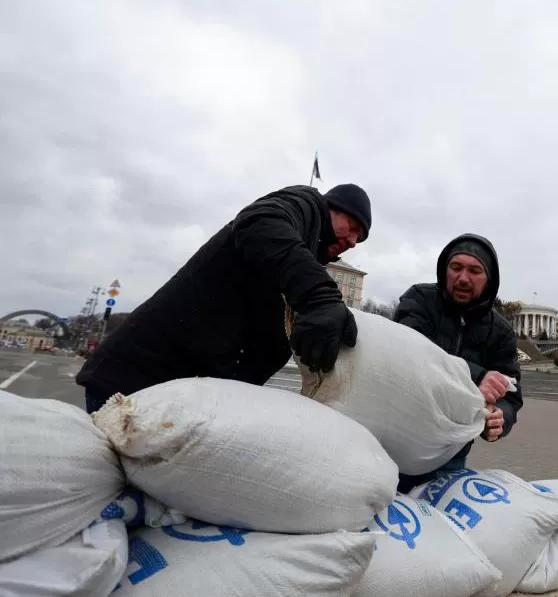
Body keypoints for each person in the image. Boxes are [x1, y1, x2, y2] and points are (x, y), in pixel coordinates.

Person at [76, 184, 371, 414]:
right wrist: (319, 296)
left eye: (359, 238)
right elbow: (260, 221)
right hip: (136, 383)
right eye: (353, 227)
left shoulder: (302, 261)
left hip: (180, 398)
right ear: (331, 207)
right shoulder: (304, 204)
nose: (352, 241)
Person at [392, 233, 523, 493]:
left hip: (450, 455)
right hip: (395, 442)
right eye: (456, 267)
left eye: (475, 270)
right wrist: (475, 376)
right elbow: (408, 350)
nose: (463, 278)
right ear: (445, 270)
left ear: (489, 280)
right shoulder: (419, 300)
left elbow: (512, 393)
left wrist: (500, 418)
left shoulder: (502, 331)